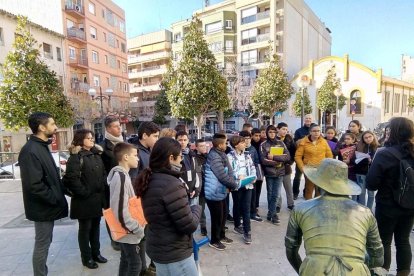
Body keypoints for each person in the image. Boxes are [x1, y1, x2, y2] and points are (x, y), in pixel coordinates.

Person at [285, 158, 384, 275]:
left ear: (318, 183)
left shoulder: (300, 209)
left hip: (314, 270)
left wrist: (303, 270)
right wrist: (362, 266)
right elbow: (377, 254)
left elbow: (291, 249)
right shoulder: (365, 212)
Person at [135, 138, 201, 276]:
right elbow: (189, 225)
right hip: (174, 253)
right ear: (171, 158)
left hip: (160, 247)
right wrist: (196, 208)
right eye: (180, 157)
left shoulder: (150, 177)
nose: (181, 161)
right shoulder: (171, 184)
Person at [18, 112, 68, 276]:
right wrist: (54, 198)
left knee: (45, 242)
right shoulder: (30, 150)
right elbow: (34, 185)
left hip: (47, 205)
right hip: (42, 207)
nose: (56, 127)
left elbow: (51, 176)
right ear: (41, 127)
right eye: (52, 124)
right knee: (42, 243)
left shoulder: (41, 146)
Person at [366, 117, 414, 276]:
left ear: (392, 132)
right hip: (410, 204)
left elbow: (371, 184)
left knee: (384, 242)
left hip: (387, 205)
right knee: (403, 241)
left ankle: (382, 273)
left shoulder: (384, 154)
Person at [63, 129, 107, 269]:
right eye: (88, 138)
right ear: (81, 140)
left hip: (97, 199)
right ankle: (86, 258)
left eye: (92, 138)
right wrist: (84, 192)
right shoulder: (76, 157)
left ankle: (96, 253)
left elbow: (103, 173)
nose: (92, 140)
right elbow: (72, 179)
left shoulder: (96, 154)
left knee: (96, 227)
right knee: (85, 229)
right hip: (84, 201)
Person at [108, 142, 145, 276]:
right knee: (135, 264)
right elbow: (119, 210)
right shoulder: (121, 177)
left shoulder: (123, 176)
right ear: (125, 157)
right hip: (128, 231)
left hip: (126, 230)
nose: (138, 159)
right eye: (135, 155)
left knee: (126, 260)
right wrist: (136, 228)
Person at [128, 121, 159, 275]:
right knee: (142, 238)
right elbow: (134, 182)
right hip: (140, 203)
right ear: (144, 135)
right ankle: (142, 269)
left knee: (147, 236)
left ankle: (148, 266)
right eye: (155, 136)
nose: (156, 139)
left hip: (148, 200)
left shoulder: (147, 150)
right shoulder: (136, 152)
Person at [204, 133, 239, 250]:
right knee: (217, 218)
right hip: (213, 192)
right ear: (219, 145)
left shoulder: (222, 153)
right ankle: (214, 240)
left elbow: (229, 170)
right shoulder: (214, 156)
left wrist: (232, 181)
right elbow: (222, 176)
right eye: (225, 143)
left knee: (223, 215)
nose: (227, 144)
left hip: (221, 191)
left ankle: (222, 236)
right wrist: (235, 184)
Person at [100, 116, 124, 251]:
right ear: (108, 128)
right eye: (116, 126)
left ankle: (125, 235)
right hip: (110, 187)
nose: (119, 128)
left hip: (125, 184)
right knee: (112, 214)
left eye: (119, 125)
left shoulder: (123, 143)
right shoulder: (102, 147)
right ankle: (115, 240)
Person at [227, 135, 256, 244]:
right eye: (242, 142)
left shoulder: (247, 155)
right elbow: (229, 171)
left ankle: (247, 231)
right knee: (237, 205)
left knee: (246, 207)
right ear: (236, 145)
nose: (245, 143)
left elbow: (252, 167)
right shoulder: (229, 156)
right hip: (237, 185)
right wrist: (237, 176)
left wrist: (253, 177)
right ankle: (237, 225)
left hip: (248, 184)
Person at [260, 125, 290, 225]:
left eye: (273, 132)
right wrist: (276, 162)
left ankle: (272, 214)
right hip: (269, 173)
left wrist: (274, 157)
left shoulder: (281, 143)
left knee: (276, 194)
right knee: (270, 194)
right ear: (267, 133)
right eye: (270, 132)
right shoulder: (263, 144)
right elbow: (263, 160)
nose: (272, 134)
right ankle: (272, 213)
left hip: (280, 172)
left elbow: (287, 157)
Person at [294, 124, 333, 200]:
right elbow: (297, 156)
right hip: (309, 169)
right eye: (314, 131)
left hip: (321, 169)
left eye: (318, 131)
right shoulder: (303, 142)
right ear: (310, 132)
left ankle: (317, 208)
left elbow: (329, 155)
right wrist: (303, 168)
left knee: (319, 190)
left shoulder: (324, 142)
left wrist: (327, 167)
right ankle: (308, 207)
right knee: (309, 189)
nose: (316, 133)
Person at [239, 130, 263, 222]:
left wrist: (255, 175)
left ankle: (253, 213)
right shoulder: (236, 150)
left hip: (251, 177)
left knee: (253, 196)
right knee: (241, 197)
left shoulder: (253, 149)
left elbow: (256, 162)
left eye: (249, 138)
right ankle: (240, 214)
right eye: (245, 139)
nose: (247, 140)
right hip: (241, 177)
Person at [352, 130, 379, 209]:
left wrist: (371, 161)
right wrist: (364, 160)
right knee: (362, 193)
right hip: (360, 172)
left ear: (373, 136)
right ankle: (362, 210)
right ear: (363, 139)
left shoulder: (378, 147)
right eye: (365, 138)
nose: (368, 139)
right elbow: (354, 160)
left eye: (370, 137)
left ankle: (369, 210)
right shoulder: (359, 147)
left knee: (371, 194)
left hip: (372, 173)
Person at [176, 131, 201, 203]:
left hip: (193, 190)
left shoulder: (192, 154)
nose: (182, 142)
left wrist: (197, 189)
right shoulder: (174, 155)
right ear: (176, 141)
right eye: (180, 140)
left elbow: (197, 172)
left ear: (188, 141)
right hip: (181, 192)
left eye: (185, 140)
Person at [293, 114, 314, 199]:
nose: (308, 120)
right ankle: (295, 193)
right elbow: (295, 143)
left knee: (309, 177)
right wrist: (305, 139)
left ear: (312, 120)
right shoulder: (299, 131)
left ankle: (306, 193)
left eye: (310, 118)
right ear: (304, 120)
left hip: (311, 158)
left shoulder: (315, 130)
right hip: (300, 158)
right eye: (306, 118)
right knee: (298, 176)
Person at [275, 122, 295, 212]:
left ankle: (290, 204)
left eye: (286, 129)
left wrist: (290, 162)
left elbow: (293, 151)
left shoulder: (289, 139)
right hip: (276, 167)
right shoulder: (274, 139)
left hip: (286, 167)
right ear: (278, 129)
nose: (285, 131)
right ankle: (277, 205)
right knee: (277, 188)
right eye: (283, 129)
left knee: (288, 187)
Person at [193, 139, 208, 236]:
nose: (204, 147)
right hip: (197, 187)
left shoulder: (208, 156)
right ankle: (203, 226)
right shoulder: (193, 158)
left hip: (207, 186)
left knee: (204, 207)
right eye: (201, 146)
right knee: (199, 208)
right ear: (196, 147)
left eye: (205, 145)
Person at [250, 128, 264, 215]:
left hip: (260, 170)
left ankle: (256, 206)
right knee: (252, 190)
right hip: (251, 170)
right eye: (256, 135)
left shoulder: (262, 144)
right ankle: (251, 207)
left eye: (259, 135)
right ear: (252, 136)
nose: (258, 137)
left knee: (258, 189)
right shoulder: (249, 145)